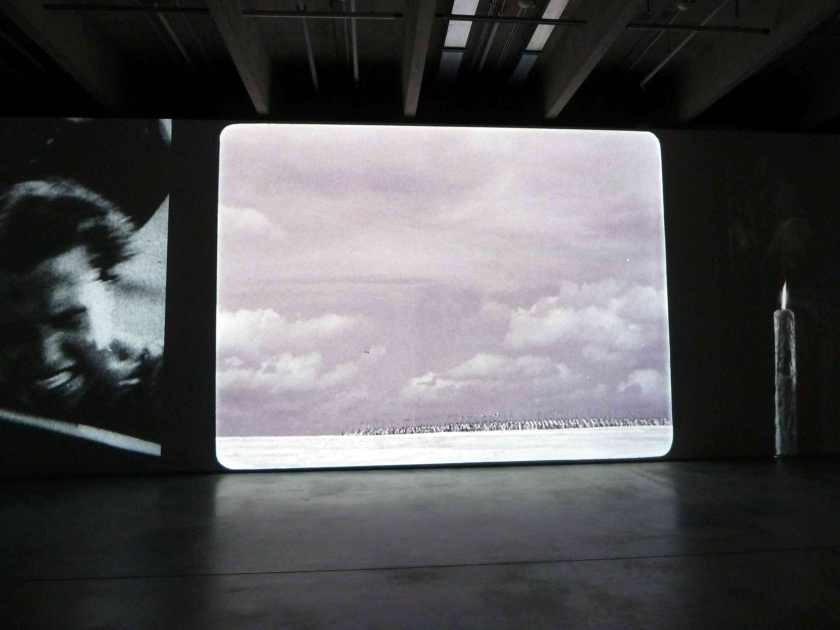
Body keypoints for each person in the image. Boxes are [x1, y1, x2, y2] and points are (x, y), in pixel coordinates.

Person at [0, 178, 162, 440]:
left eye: (70, 321)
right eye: (13, 333)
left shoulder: (173, 388)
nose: (47, 358)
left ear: (109, 294)